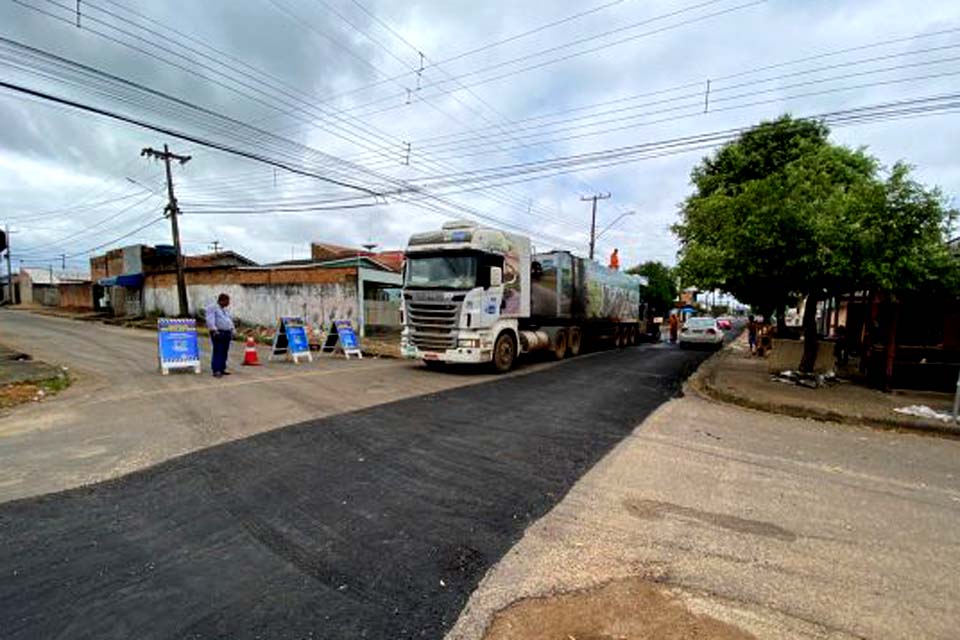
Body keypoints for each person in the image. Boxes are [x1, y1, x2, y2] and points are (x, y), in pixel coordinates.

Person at [205, 293, 235, 378]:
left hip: (226, 332)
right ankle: (216, 370)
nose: (228, 303)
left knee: (225, 351)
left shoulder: (225, 310)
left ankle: (222, 368)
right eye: (227, 301)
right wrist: (214, 330)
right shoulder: (212, 307)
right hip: (218, 332)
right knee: (218, 351)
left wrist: (232, 330)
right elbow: (210, 319)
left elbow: (229, 320)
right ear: (222, 300)